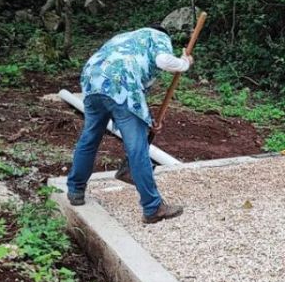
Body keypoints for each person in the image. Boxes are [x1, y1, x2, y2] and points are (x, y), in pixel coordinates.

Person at [65, 24, 192, 224]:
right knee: (137, 148)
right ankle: (152, 208)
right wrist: (184, 62)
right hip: (120, 82)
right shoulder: (157, 36)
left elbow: (131, 98)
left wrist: (148, 120)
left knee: (90, 137)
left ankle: (75, 190)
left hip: (92, 78)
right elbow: (163, 60)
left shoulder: (124, 38)